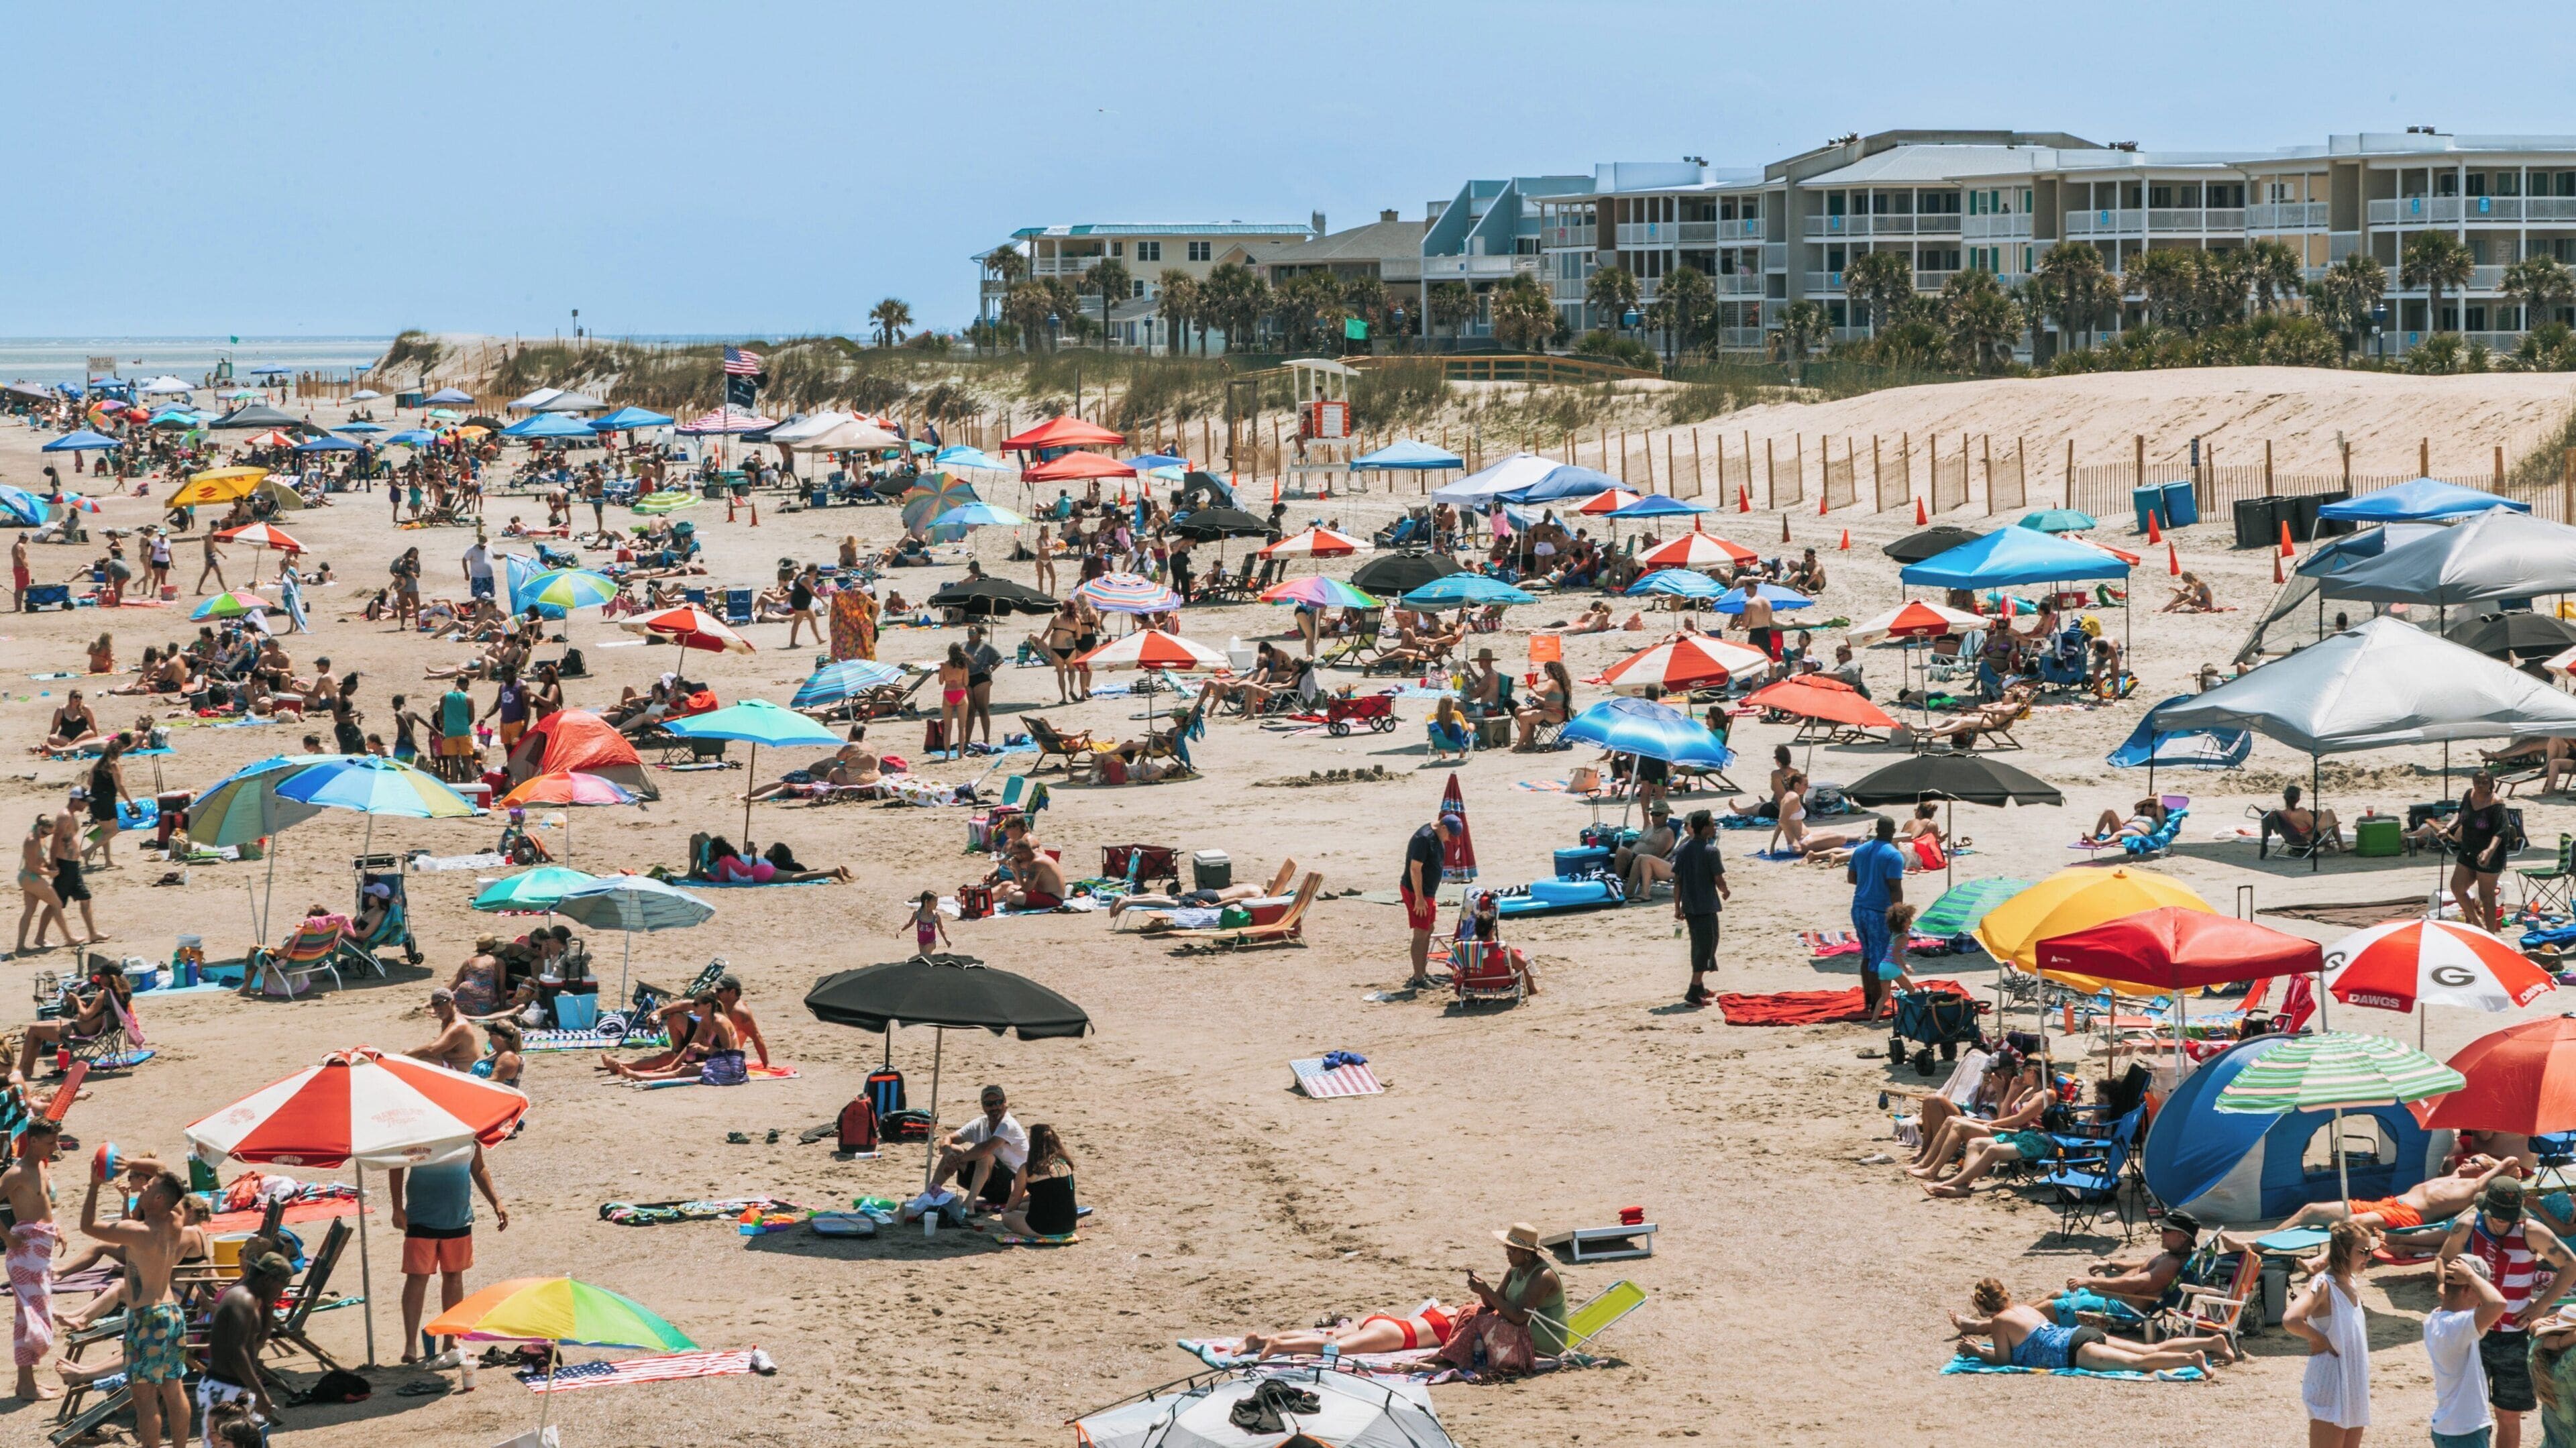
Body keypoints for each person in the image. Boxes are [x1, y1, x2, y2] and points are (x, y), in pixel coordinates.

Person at [2441, 1177, 2576, 1448]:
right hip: (2474, 1330)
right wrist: (2444, 1288)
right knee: (2469, 1414)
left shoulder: (2532, 1231)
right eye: (2497, 1217)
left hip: (2514, 1335)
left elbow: (2570, 1266)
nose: (2502, 1222)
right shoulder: (2467, 1226)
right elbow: (2444, 1258)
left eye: (2508, 1217)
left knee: (2509, 1414)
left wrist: (2541, 1305)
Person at [79, 1161, 191, 1448]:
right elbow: (166, 1172)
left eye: (149, 1187)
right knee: (173, 1389)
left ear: (158, 1199)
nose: (142, 1188)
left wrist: (93, 1186)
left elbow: (87, 1226)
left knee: (144, 1398)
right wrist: (129, 1163)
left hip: (148, 1318)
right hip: (173, 1314)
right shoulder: (176, 1219)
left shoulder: (136, 1231)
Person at [387, 1144, 507, 1368]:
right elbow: (397, 1165)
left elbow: (478, 1168)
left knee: (454, 1276)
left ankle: (450, 1340)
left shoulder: (472, 1133)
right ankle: (410, 1346)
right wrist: (397, 1208)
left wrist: (496, 1202)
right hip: (420, 1218)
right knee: (417, 1277)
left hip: (458, 1218)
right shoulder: (422, 1130)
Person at [1949, 1278, 2220, 1376]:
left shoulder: (1998, 1322)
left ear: (1984, 1307)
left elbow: (2003, 1360)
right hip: (2080, 1335)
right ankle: (2211, 1343)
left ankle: (2192, 1359)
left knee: (2138, 1362)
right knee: (2150, 1347)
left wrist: (1977, 1353)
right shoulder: (2024, 1308)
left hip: (2075, 1350)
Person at [2287, 1220, 2377, 1447]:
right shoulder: (2323, 1284)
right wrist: (2319, 1339)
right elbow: (2291, 1319)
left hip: (2354, 1380)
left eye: (2370, 1251)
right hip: (2330, 1380)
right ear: (2343, 1252)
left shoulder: (2351, 1281)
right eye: (2363, 1251)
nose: (2369, 1257)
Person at [2279, 1154, 2522, 1233]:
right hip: (2388, 1203)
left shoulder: (2474, 1187)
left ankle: (2322, 1263)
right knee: (2312, 1210)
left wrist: (2510, 1169)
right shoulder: (2451, 1176)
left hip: (2411, 1216)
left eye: (2474, 1160)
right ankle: (2261, 1243)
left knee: (2353, 1223)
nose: (2466, 1160)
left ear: (2485, 1171)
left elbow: (2510, 1161)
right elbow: (2449, 1155)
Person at [199, 1251, 292, 1439]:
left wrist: (270, 1305)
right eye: (282, 1286)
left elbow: (259, 1342)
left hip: (238, 1387)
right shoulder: (241, 1300)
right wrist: (260, 1391)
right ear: (267, 1279)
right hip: (223, 1389)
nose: (281, 1293)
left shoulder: (253, 1299)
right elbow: (236, 1351)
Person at [2428, 1255, 2512, 1448]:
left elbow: (2452, 1299)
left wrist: (2467, 1280)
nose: (2481, 1302)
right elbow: (2499, 1304)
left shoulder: (2434, 1319)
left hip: (2447, 1427)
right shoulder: (2459, 1326)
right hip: (2465, 1430)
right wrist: (2470, 1275)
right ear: (2468, 1289)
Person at [3, 1119, 60, 1402]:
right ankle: (27, 1384)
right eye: (50, 1142)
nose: (55, 1147)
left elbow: (43, 1208)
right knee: (33, 1317)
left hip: (42, 1248)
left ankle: (26, 1383)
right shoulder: (17, 1172)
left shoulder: (40, 1166)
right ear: (34, 1141)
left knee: (29, 1317)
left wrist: (55, 1230)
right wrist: (7, 1238)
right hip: (25, 1253)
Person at [930, 1085, 1028, 1211]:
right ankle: (931, 1191)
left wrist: (957, 1160)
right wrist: (949, 1154)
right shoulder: (980, 1123)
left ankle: (969, 1204)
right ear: (983, 1106)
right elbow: (947, 1139)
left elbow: (986, 1148)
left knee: (985, 1156)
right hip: (987, 1182)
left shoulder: (1008, 1125)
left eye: (998, 1102)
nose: (994, 1107)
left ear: (1005, 1102)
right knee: (954, 1149)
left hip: (1013, 1186)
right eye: (989, 1104)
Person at [1847, 817, 1908, 1018]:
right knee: (1880, 958)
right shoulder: (1893, 855)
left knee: (1867, 955)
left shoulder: (1861, 850)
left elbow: (1852, 879)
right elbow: (1895, 888)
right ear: (1893, 831)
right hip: (1878, 912)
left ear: (1876, 830)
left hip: (1859, 908)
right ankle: (1877, 1002)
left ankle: (1869, 999)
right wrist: (1899, 916)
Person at [1672, 808, 1729, 1007]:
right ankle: (1693, 991)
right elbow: (1718, 878)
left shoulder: (1683, 850)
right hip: (1706, 905)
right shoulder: (1711, 852)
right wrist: (1725, 890)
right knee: (1706, 946)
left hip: (1690, 906)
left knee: (1699, 943)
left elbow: (1677, 882)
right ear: (1704, 828)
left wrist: (1677, 907)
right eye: (1712, 824)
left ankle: (1699, 987)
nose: (1715, 827)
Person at [2445, 771, 2514, 935]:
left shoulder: (2496, 803)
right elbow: (2460, 814)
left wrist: (2489, 851)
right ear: (2473, 783)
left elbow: (2501, 831)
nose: (2481, 786)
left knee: (2486, 896)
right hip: (2468, 850)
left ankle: (2491, 934)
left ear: (2491, 783)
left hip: (2489, 855)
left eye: (2484, 782)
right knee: (2457, 887)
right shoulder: (2469, 795)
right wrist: (2448, 827)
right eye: (2478, 782)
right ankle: (2477, 923)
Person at [1402, 812, 1459, 989]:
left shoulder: (1436, 835)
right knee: (1421, 933)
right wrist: (1419, 899)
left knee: (1429, 928)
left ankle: (1423, 973)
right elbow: (1415, 870)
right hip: (1417, 892)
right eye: (1449, 835)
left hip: (1428, 892)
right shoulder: (1424, 839)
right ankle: (1418, 978)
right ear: (1443, 828)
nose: (1449, 840)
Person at [1000, 1123, 1079, 1239]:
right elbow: (1047, 1193)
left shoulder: (1028, 1169)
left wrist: (1006, 1212)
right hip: (1070, 1225)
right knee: (1023, 1206)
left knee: (1008, 1217)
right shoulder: (1065, 1163)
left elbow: (1015, 1198)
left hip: (1043, 1228)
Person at [17, 813, 66, 956]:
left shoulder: (39, 835)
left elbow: (40, 856)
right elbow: (32, 866)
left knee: (29, 911)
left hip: (30, 877)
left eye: (48, 834)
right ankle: (68, 938)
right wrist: (48, 873)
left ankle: (20, 946)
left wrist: (48, 865)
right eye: (44, 833)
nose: (46, 836)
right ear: (40, 828)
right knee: (56, 903)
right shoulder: (32, 840)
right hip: (30, 877)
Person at [407, 987, 480, 1071]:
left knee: (421, 1061)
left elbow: (431, 1049)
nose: (437, 1008)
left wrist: (402, 1057)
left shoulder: (459, 1026)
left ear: (452, 1003)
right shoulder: (447, 1020)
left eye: (441, 1003)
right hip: (449, 1061)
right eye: (434, 1004)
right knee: (411, 1054)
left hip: (465, 1071)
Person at [1871, 901, 1921, 1013]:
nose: (1911, 923)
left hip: (1883, 966)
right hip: (1892, 967)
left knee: (1884, 996)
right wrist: (1905, 967)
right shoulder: (1903, 937)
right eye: (1909, 921)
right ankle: (1905, 1013)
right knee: (1911, 990)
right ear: (1903, 923)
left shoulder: (1894, 933)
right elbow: (1896, 954)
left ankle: (1874, 1021)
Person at [1514, 661, 1573, 750]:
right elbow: (1552, 702)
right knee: (1520, 710)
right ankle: (1529, 741)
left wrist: (1533, 686)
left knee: (1523, 717)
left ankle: (1520, 745)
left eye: (1546, 671)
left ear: (1550, 671)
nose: (1546, 673)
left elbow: (1542, 693)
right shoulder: (1561, 682)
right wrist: (1536, 698)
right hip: (1558, 713)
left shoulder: (1552, 682)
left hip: (1554, 714)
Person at [961, 624, 1001, 748]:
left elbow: (999, 659)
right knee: (970, 711)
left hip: (981, 678)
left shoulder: (985, 646)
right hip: (967, 679)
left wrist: (991, 670)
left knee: (983, 709)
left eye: (973, 632)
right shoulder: (963, 645)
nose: (970, 635)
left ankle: (986, 740)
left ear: (979, 634)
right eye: (969, 632)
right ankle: (967, 740)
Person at [936, 643, 969, 760]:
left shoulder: (944, 665)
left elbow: (941, 682)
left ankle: (947, 755)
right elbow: (966, 682)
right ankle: (961, 754)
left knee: (948, 727)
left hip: (948, 693)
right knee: (962, 727)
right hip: (960, 692)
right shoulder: (964, 665)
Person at [474, 1019, 524, 1087]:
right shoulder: (497, 1053)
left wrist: (470, 1082)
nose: (489, 1036)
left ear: (502, 1037)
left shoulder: (509, 1057)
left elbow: (495, 1082)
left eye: (491, 1033)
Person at [902, 889, 951, 955]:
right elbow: (910, 923)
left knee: (923, 956)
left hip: (931, 942)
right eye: (935, 901)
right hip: (921, 942)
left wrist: (946, 940)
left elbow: (941, 929)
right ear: (927, 902)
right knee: (925, 960)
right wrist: (901, 930)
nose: (937, 904)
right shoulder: (917, 913)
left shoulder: (936, 916)